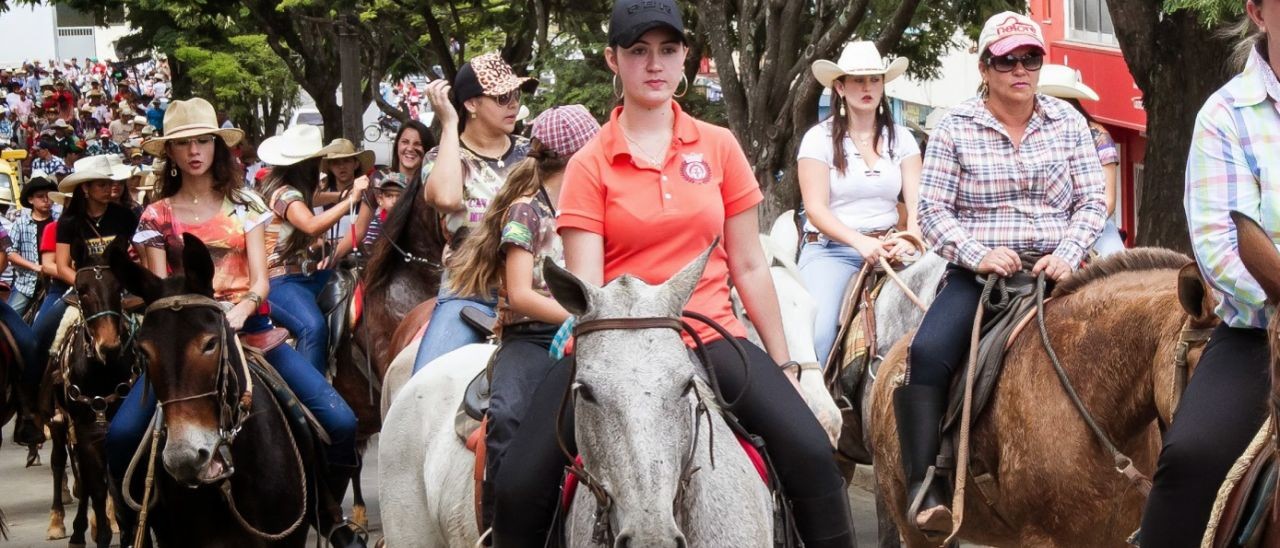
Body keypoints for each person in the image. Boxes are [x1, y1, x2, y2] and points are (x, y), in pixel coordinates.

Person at [492, 1, 855, 546]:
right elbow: (590, 293)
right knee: (518, 487)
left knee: (811, 455)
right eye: (638, 51)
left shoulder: (720, 146)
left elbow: (750, 263)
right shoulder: (590, 163)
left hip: (711, 334)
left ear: (685, 56)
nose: (654, 64)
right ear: (613, 60)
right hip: (617, 349)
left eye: (667, 49)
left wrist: (786, 366)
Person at [106, 97, 362, 547]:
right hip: (183, 343)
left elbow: (261, 280)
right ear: (171, 153)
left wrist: (240, 310)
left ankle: (327, 513)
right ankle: (136, 528)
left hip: (252, 331)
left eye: (202, 140)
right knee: (122, 435)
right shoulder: (154, 216)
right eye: (183, 144)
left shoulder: (245, 205)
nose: (194, 151)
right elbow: (162, 292)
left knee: (339, 421)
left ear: (217, 146)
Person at [900, 12, 1106, 536]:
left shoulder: (1068, 122)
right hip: (983, 277)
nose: (1021, 69)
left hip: (1059, 272)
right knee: (926, 354)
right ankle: (928, 486)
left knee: (1128, 346)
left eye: (1030, 58)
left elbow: (1091, 202)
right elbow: (932, 212)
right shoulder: (955, 125)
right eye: (1007, 60)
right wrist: (977, 252)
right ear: (985, 67)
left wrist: (1068, 251)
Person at [1138, 0, 1279, 543]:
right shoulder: (1225, 117)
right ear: (1258, 12)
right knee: (1194, 456)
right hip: (1260, 333)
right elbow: (1222, 250)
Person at [445, 105, 599, 534]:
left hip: (595, 332)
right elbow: (519, 293)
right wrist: (575, 317)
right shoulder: (526, 212)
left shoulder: (597, 207)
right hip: (533, 337)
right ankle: (501, 529)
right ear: (578, 156)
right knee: (510, 416)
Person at [411, 52, 537, 374]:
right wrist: (449, 124)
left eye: (516, 95)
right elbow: (446, 197)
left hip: (536, 291)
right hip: (470, 293)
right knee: (427, 381)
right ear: (471, 105)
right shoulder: (441, 156)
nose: (513, 104)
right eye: (501, 96)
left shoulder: (532, 152)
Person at [799, 41, 921, 368]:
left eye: (875, 79)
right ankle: (808, 409)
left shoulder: (904, 139)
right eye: (857, 80)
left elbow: (917, 203)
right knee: (818, 335)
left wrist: (910, 239)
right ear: (840, 87)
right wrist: (859, 241)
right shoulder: (818, 139)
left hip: (892, 247)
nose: (867, 87)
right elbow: (815, 208)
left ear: (883, 85)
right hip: (831, 250)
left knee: (936, 312)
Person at [18, 154, 137, 446]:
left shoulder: (124, 216)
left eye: (110, 183)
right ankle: (34, 410)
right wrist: (89, 289)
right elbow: (61, 266)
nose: (109, 189)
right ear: (85, 188)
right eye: (101, 184)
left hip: (121, 291)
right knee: (37, 340)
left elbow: (139, 256)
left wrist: (119, 286)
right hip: (77, 292)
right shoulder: (68, 222)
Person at [258, 125, 368, 373]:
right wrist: (351, 199)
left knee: (355, 285)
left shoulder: (292, 190)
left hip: (301, 276)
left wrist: (342, 195)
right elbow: (310, 225)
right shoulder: (285, 194)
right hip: (279, 280)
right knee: (312, 327)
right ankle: (308, 397)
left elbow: (317, 199)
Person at [1037, 64, 1125, 256]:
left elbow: (1108, 200)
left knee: (1121, 266)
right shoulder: (1029, 136)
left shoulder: (1099, 136)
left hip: (1091, 223)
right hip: (1042, 225)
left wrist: (1079, 228)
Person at [7, 175, 59, 316]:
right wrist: (35, 267)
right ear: (31, 200)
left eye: (49, 196)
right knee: (9, 318)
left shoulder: (59, 221)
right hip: (26, 283)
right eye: (40, 196)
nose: (46, 200)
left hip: (57, 281)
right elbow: (10, 253)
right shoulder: (20, 223)